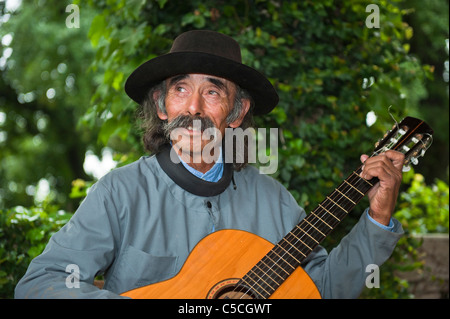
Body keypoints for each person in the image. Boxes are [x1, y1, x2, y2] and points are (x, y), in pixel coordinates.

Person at [15, 30, 404, 299]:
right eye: (180, 89)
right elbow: (42, 282)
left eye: (213, 92)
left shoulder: (273, 200)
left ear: (236, 113)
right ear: (162, 106)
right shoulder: (120, 193)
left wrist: (377, 220)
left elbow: (323, 289)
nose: (194, 108)